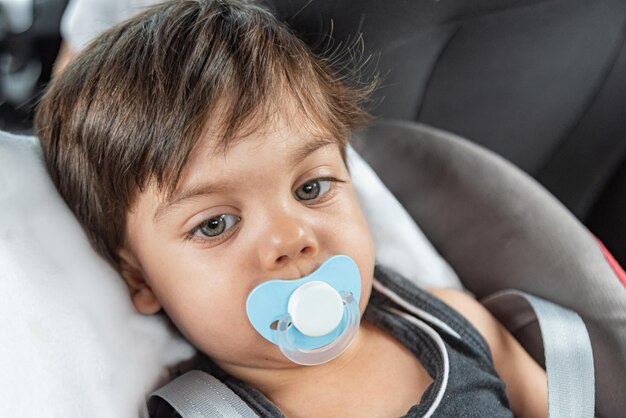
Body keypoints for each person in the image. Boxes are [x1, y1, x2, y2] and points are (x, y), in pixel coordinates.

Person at [35, 0, 548, 416]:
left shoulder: (452, 324)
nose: (291, 238)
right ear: (141, 281)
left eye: (311, 188)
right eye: (215, 223)